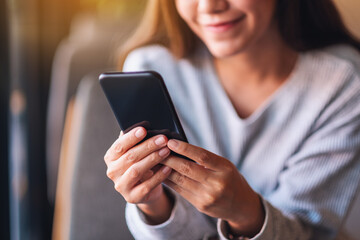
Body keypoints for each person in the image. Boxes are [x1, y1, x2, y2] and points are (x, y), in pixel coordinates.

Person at [103, 0, 360, 239]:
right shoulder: (151, 67)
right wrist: (153, 203)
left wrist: (247, 213)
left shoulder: (342, 84)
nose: (210, 6)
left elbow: (312, 233)